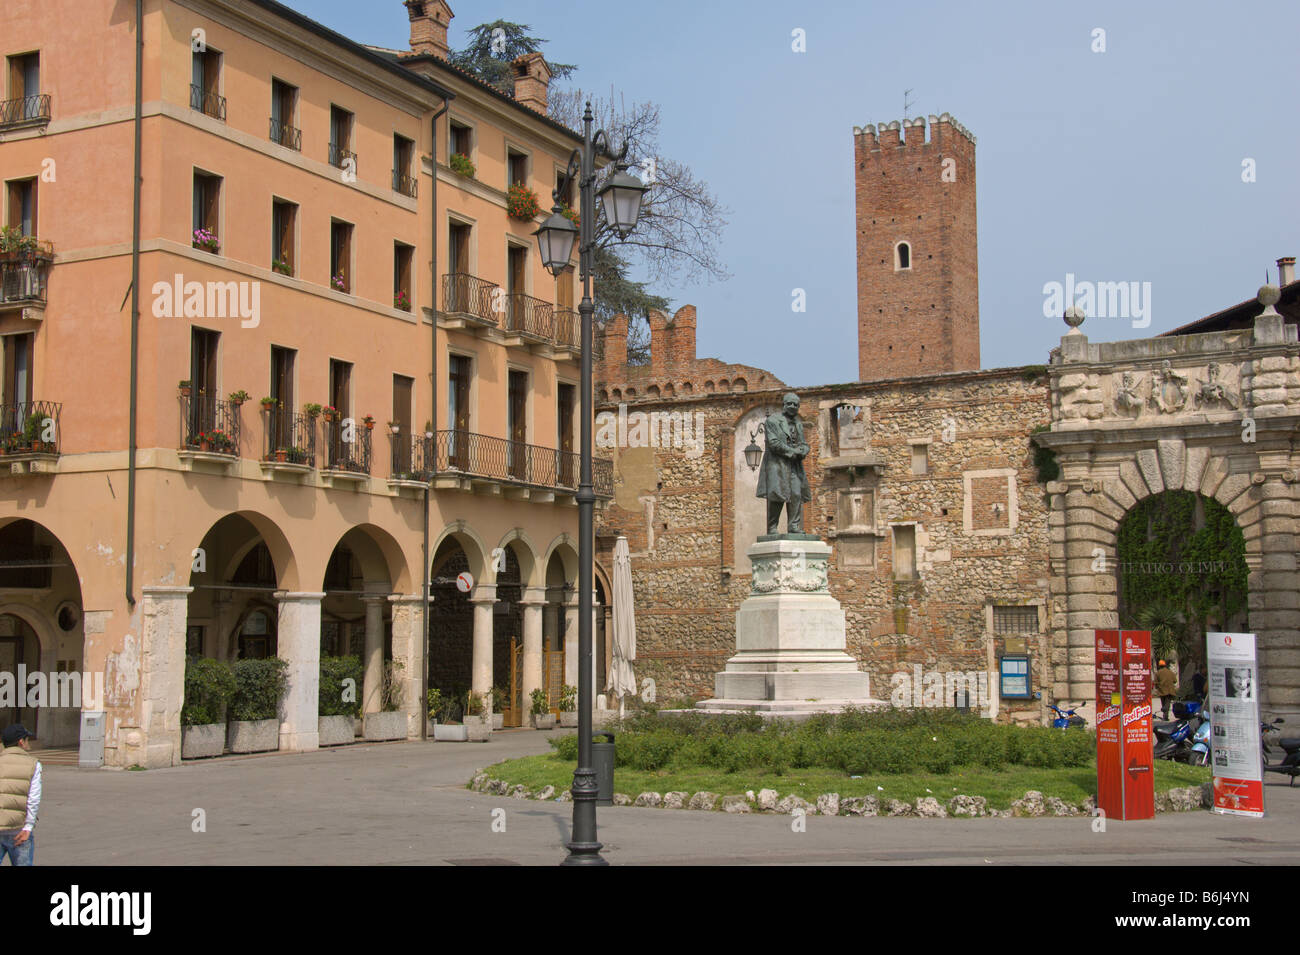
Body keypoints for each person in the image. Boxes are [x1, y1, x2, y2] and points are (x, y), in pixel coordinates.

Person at [755, 392, 812, 535]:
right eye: (790, 404)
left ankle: (793, 526)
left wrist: (804, 450)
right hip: (777, 464)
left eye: (796, 405)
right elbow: (774, 443)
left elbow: (803, 443)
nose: (792, 406)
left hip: (794, 465)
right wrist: (793, 451)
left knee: (796, 494)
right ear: (784, 405)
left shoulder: (798, 424)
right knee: (777, 495)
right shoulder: (773, 421)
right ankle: (772, 526)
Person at [0, 724, 41, 866]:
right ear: (21, 742)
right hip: (19, 830)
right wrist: (28, 827)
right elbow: (33, 799)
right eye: (27, 739)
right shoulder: (33, 764)